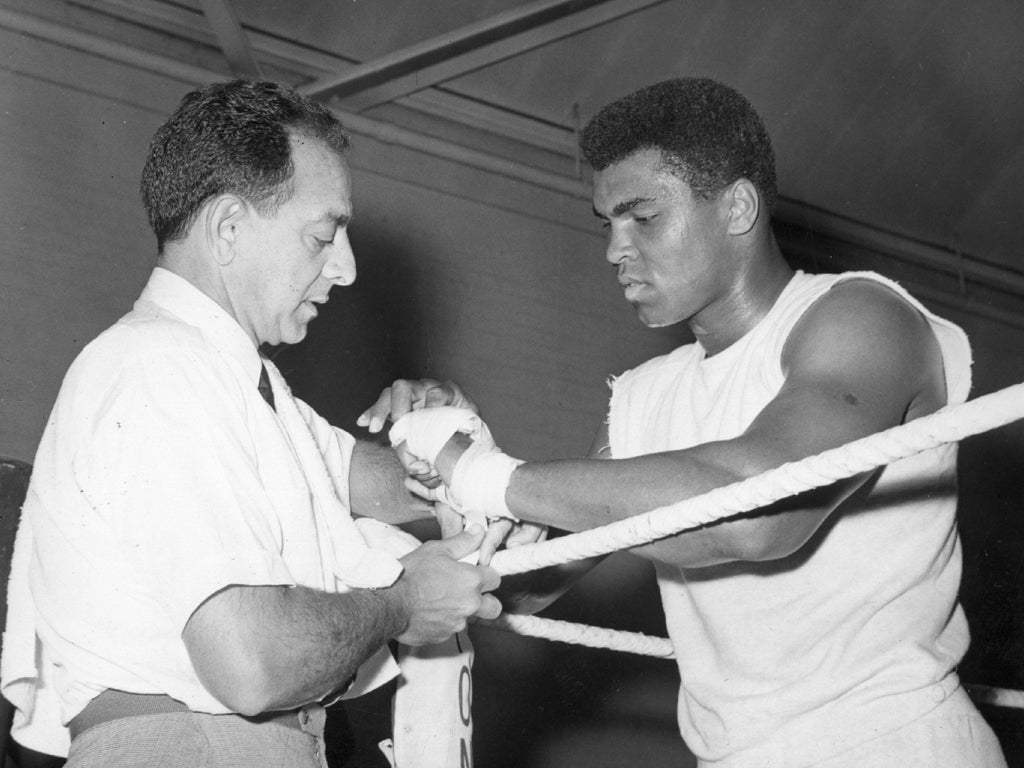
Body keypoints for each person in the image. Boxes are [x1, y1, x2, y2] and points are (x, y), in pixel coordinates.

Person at [361, 78, 1007, 767]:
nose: (615, 248)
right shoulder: (644, 398)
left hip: (888, 743)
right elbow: (525, 585)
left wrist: (489, 477)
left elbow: (760, 512)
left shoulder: (861, 318)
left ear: (736, 207)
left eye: (643, 217)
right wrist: (460, 466)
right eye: (606, 223)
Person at [0, 79, 501, 768]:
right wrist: (403, 603)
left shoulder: (239, 384)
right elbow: (251, 664)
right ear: (229, 228)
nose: (346, 268)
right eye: (323, 235)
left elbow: (391, 481)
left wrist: (442, 422)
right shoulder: (161, 370)